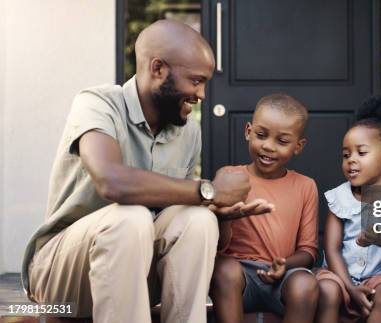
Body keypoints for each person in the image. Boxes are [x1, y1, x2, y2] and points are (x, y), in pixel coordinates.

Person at [21, 20, 272, 323]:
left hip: (135, 275)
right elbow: (112, 181)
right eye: (195, 81)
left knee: (198, 219)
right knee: (130, 217)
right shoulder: (98, 103)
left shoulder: (188, 132)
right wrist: (210, 190)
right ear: (158, 69)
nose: (202, 94)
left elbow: (180, 226)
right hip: (61, 279)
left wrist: (219, 214)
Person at [210, 93, 320, 323]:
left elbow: (308, 252)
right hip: (239, 278)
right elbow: (218, 245)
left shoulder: (306, 186)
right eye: (261, 135)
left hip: (283, 278)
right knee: (224, 270)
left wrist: (284, 265)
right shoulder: (229, 177)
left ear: (298, 146)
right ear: (248, 131)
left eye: (282, 141)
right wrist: (226, 217)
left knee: (305, 283)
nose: (268, 146)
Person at [315, 94, 381, 323]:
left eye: (361, 153)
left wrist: (378, 237)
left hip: (377, 277)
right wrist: (349, 288)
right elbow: (331, 249)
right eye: (346, 155)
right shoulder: (339, 197)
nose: (351, 160)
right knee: (327, 291)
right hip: (338, 276)